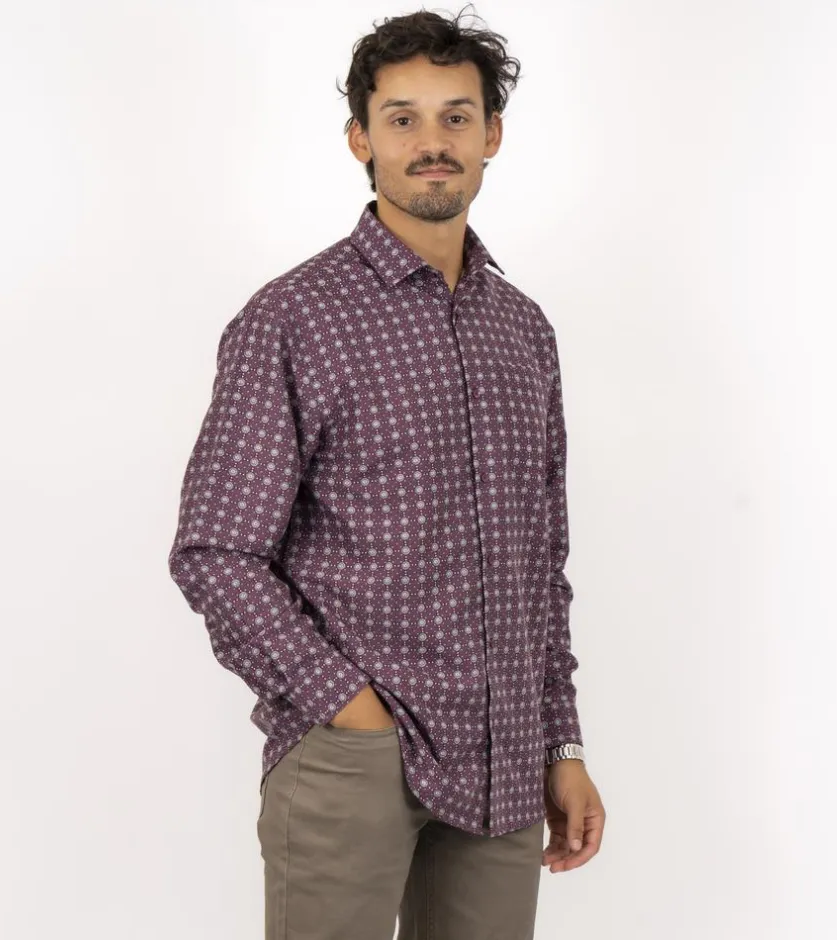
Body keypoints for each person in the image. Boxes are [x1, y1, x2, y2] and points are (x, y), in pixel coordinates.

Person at [167, 7, 605, 938]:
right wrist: (350, 709)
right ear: (360, 139)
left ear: (492, 136)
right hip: (354, 756)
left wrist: (561, 742)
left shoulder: (523, 331)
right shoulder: (294, 318)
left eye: (456, 116)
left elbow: (541, 566)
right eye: (403, 118)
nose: (431, 143)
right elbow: (216, 551)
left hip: (506, 760)